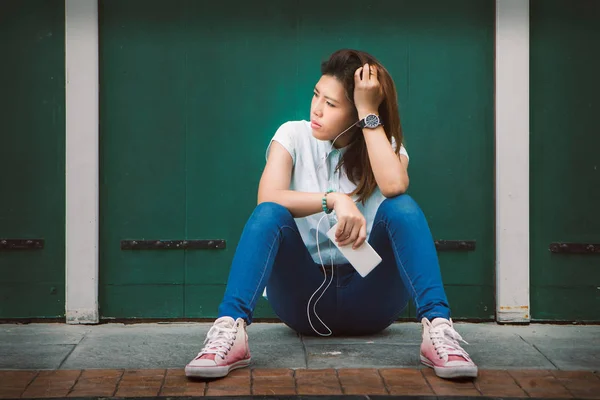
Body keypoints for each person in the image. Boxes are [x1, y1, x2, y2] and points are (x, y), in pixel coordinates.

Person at [185, 49, 477, 380]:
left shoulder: (383, 142)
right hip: (303, 298)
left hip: (372, 299)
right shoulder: (293, 135)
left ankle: (439, 331)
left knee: (402, 208)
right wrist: (333, 199)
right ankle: (229, 332)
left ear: (356, 115)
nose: (317, 109)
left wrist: (369, 113)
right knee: (269, 214)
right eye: (316, 95)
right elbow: (267, 197)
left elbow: (395, 185)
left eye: (332, 104)